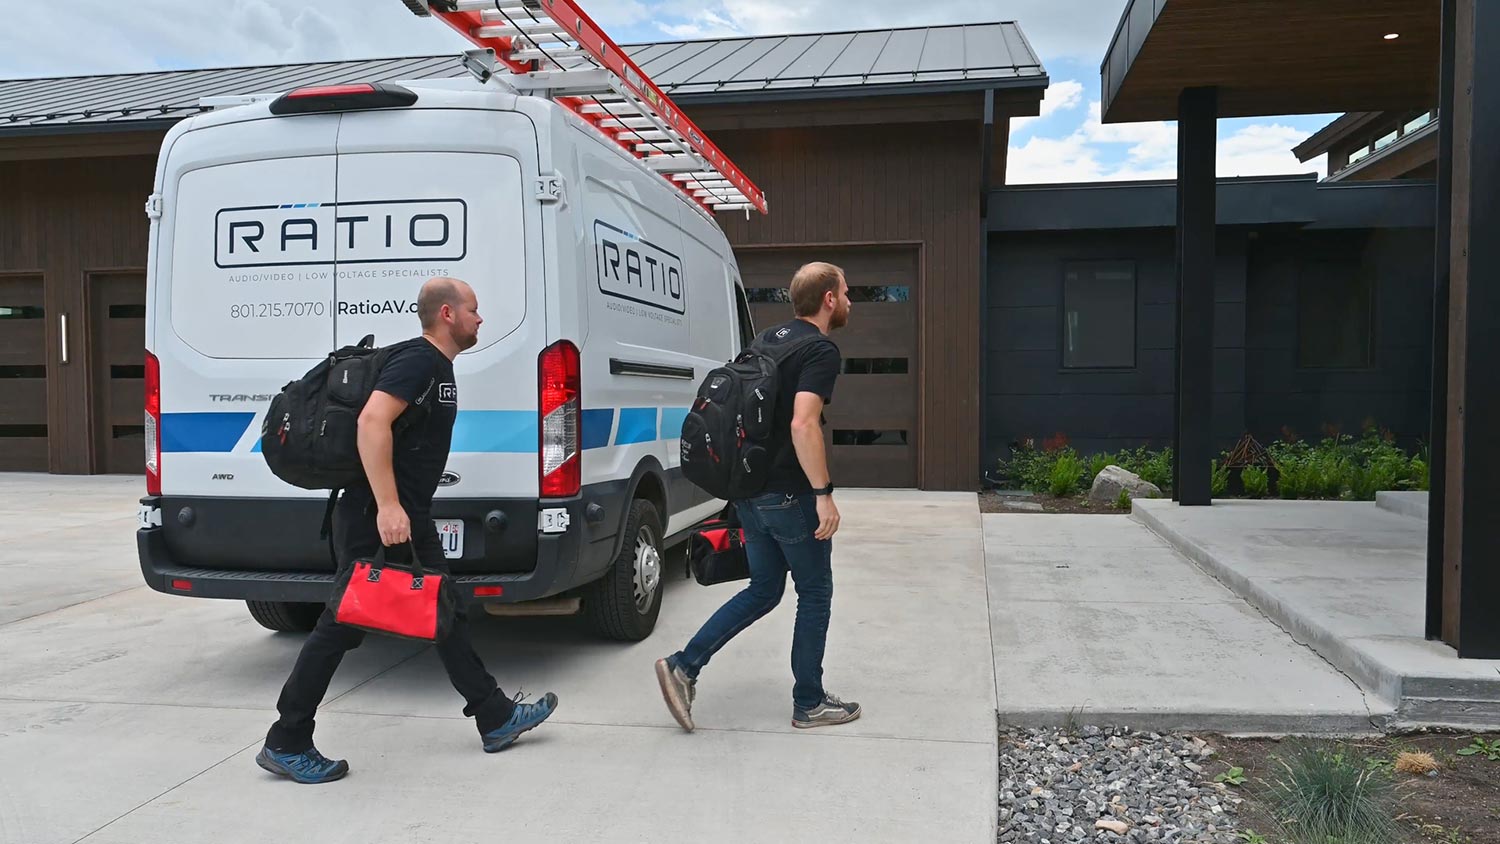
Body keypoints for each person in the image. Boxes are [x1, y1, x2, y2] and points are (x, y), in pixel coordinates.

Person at [257, 277, 558, 784]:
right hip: (380, 515)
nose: (480, 318)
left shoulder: (434, 365)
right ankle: (286, 739)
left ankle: (495, 715)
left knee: (442, 606)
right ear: (447, 314)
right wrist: (389, 505)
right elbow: (372, 422)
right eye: (473, 310)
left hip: (402, 513)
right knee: (342, 622)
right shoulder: (419, 361)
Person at [655, 261, 859, 731]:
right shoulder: (819, 350)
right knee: (815, 592)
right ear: (829, 299)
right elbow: (803, 424)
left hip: (749, 492)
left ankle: (683, 666)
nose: (850, 301)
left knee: (765, 589)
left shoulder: (767, 340)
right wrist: (823, 493)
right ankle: (809, 702)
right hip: (788, 495)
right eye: (847, 293)